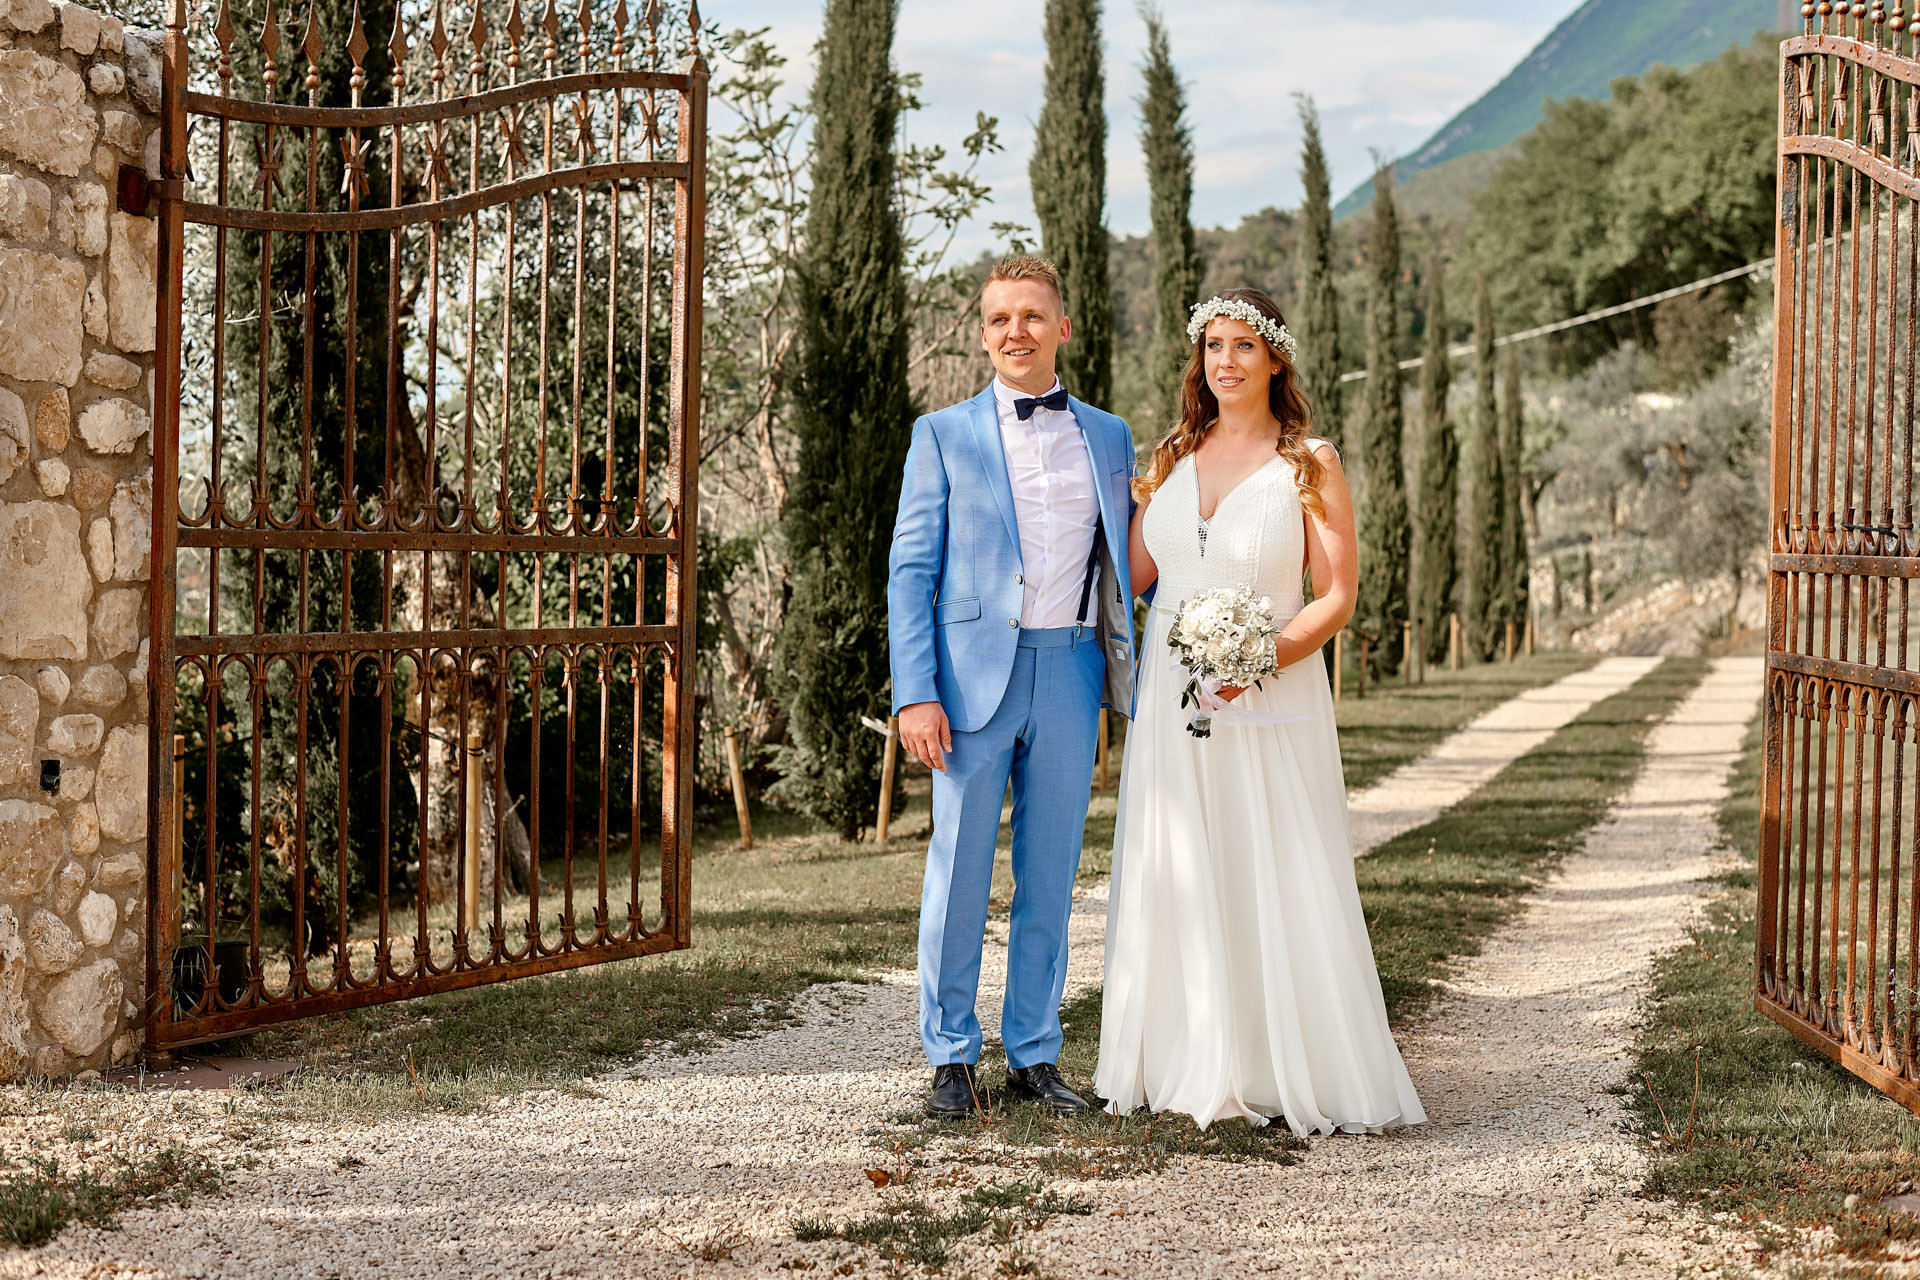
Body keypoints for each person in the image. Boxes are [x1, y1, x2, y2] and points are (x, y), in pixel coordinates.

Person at [1093, 288, 1425, 1135]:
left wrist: (1253, 661)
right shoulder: (1174, 451)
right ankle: (1185, 1057)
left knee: (1268, 860)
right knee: (1181, 859)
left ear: (1276, 358)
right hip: (1173, 702)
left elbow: (1337, 596)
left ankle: (1282, 1064)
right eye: (1214, 346)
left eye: (1245, 345)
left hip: (1268, 697)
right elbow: (1134, 574)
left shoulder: (1309, 461)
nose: (1227, 361)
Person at [887, 255, 1138, 1120]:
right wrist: (914, 692)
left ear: (1062, 328)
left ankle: (1034, 1053)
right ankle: (950, 1057)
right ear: (982, 332)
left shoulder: (1109, 436)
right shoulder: (942, 434)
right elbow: (910, 569)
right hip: (966, 685)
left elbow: (1128, 563)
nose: (1016, 332)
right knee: (958, 871)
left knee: (1051, 872)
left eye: (1032, 316)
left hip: (1070, 670)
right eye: (1000, 319)